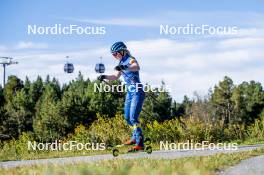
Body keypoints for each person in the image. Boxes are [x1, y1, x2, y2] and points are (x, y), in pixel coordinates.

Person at [98, 41, 145, 151]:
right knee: (127, 118)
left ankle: (140, 143)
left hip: (137, 91)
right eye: (113, 55)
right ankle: (134, 138)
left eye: (115, 54)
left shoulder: (130, 59)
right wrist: (104, 76)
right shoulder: (120, 62)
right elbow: (115, 76)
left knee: (133, 117)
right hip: (130, 93)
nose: (114, 56)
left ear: (122, 51)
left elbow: (136, 67)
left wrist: (124, 67)